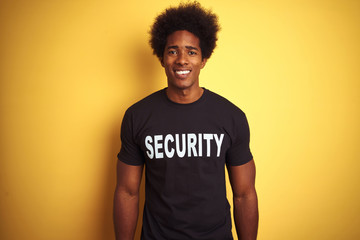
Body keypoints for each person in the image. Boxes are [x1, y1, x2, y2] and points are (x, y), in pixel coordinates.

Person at [113, 2, 258, 240]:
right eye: (173, 51)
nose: (182, 60)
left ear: (203, 59)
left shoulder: (231, 117)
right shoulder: (137, 116)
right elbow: (127, 192)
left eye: (191, 52)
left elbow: (244, 193)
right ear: (162, 57)